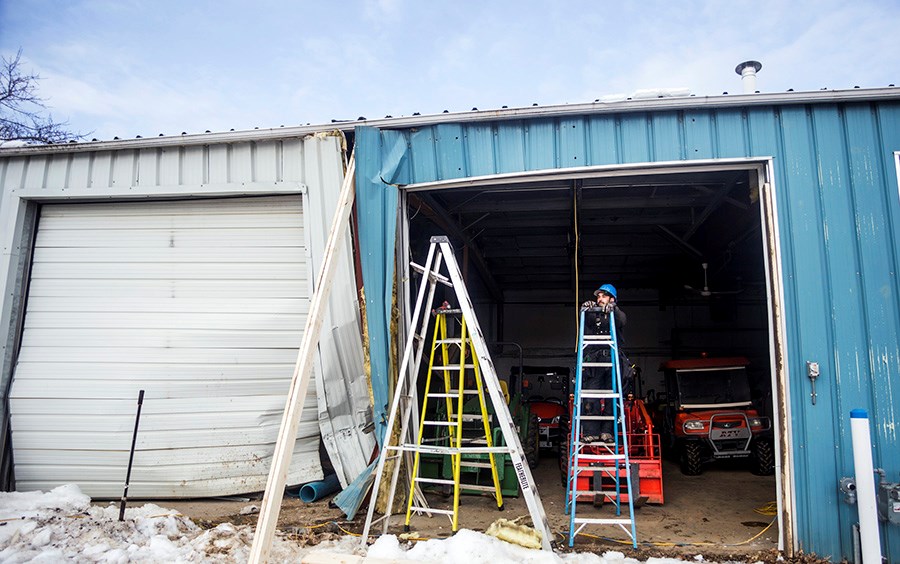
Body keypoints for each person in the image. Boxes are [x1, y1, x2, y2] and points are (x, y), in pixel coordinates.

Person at [579, 283, 627, 444]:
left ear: (612, 299)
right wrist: (587, 308)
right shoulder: (594, 314)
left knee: (611, 399)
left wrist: (614, 308)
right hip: (595, 361)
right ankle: (591, 432)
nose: (600, 299)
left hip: (612, 360)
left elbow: (622, 321)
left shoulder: (617, 314)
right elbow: (585, 320)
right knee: (591, 397)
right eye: (598, 296)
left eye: (603, 296)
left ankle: (607, 432)